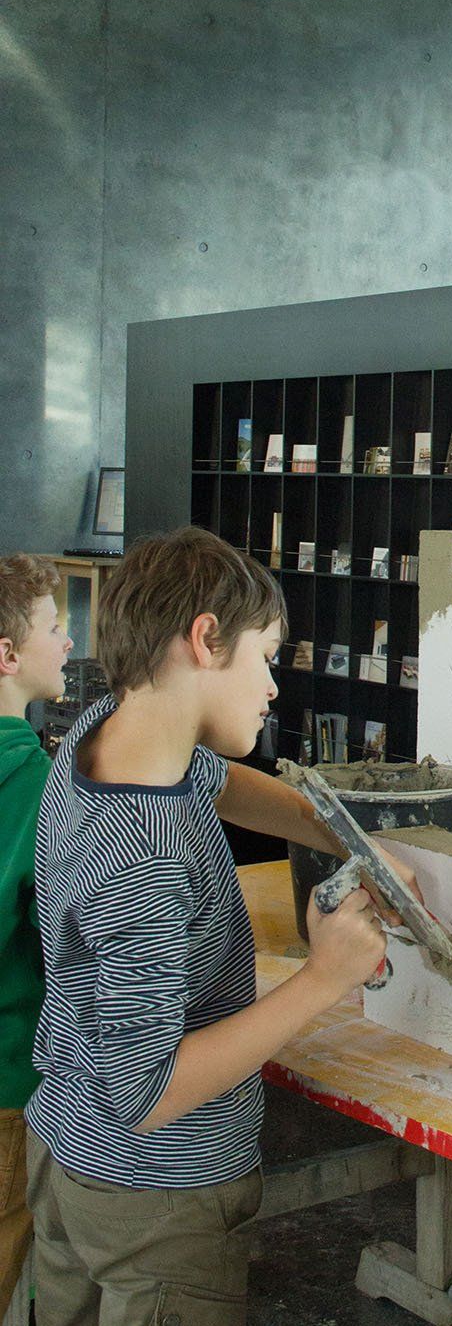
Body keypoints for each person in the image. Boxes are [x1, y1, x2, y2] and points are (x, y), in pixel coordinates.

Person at [24, 526, 414, 1325]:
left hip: (68, 1148)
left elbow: (223, 783)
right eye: (265, 657)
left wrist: (350, 840)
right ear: (205, 639)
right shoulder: (143, 858)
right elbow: (147, 1091)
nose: (272, 687)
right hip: (155, 1195)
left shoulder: (107, 731)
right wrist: (323, 978)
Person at [0, 555, 71, 1319]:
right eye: (54, 626)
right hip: (6, 1082)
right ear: (7, 655)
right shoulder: (31, 782)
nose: (67, 640)